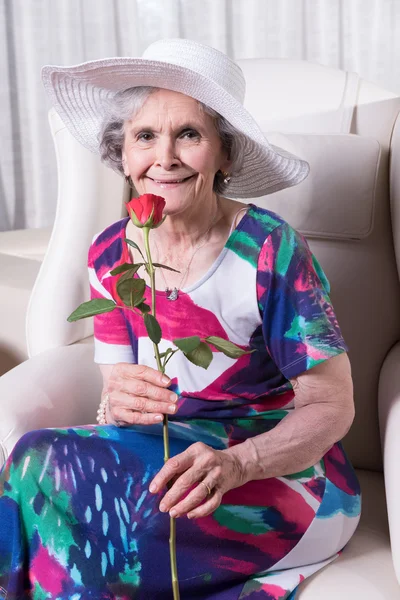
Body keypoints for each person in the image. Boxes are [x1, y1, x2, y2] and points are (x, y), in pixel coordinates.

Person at [0, 38, 361, 599]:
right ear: (124, 152)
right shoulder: (110, 255)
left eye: (188, 134)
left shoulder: (270, 250)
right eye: (146, 136)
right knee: (35, 462)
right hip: (167, 460)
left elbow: (333, 406)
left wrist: (237, 464)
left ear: (225, 154)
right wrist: (116, 402)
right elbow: (117, 393)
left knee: (71, 511)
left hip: (276, 477)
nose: (163, 158)